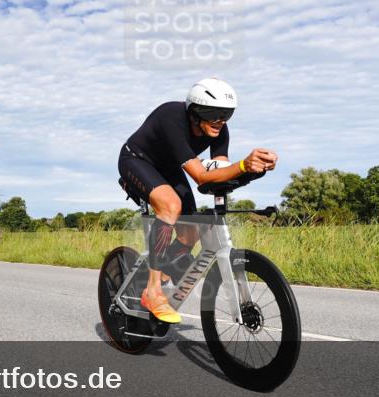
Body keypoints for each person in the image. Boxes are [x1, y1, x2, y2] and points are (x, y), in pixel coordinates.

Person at [118, 78, 277, 323]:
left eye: (226, 114)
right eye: (212, 114)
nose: (220, 121)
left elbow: (216, 176)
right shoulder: (171, 118)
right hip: (137, 160)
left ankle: (160, 276)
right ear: (194, 112)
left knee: (190, 232)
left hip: (169, 168)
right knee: (170, 205)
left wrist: (254, 171)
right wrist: (243, 164)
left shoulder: (220, 131)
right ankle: (151, 291)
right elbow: (201, 176)